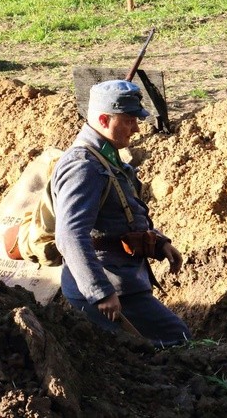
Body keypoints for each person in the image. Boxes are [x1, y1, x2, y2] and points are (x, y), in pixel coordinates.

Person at [51, 79, 190, 347]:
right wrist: (100, 292)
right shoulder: (83, 166)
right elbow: (70, 235)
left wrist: (158, 242)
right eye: (129, 120)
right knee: (176, 340)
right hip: (108, 286)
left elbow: (118, 216)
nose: (137, 128)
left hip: (121, 278)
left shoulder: (105, 155)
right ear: (104, 120)